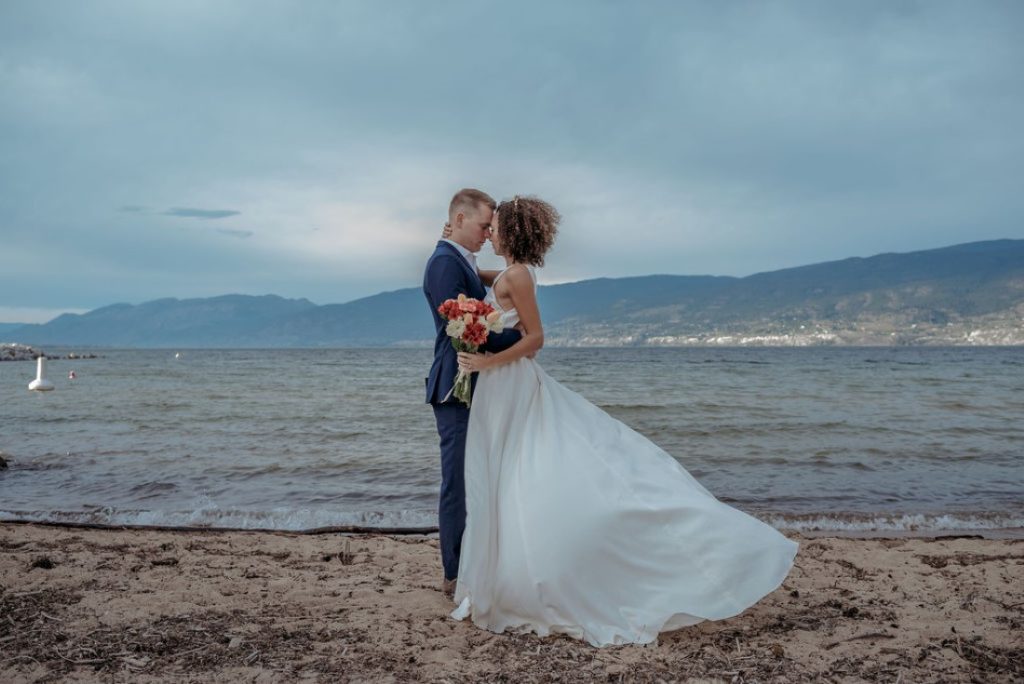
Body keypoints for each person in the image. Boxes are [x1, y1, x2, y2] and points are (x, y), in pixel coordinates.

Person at [447, 195, 800, 647]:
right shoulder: (516, 273)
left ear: (512, 232)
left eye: (495, 226)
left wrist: (485, 365)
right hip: (502, 387)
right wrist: (458, 255)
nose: (490, 232)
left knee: (520, 468)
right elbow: (489, 280)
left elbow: (535, 339)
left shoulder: (517, 275)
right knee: (509, 469)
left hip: (508, 380)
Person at [423, 188, 524, 600]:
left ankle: (475, 561)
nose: (487, 234)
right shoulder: (445, 263)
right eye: (484, 225)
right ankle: (454, 573)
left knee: (477, 476)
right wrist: (519, 341)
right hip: (456, 385)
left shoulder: (456, 257)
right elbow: (465, 329)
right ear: (460, 220)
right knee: (458, 483)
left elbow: (473, 303)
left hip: (474, 382)